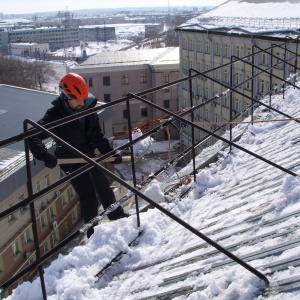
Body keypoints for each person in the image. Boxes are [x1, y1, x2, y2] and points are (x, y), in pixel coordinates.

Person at [29, 72, 128, 238]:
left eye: (84, 98)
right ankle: (93, 234)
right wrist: (44, 155)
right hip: (71, 159)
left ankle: (116, 216)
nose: (82, 103)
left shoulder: (87, 108)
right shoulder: (55, 115)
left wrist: (110, 153)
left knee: (103, 185)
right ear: (66, 97)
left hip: (87, 155)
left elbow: (97, 136)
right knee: (89, 197)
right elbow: (33, 135)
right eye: (78, 100)